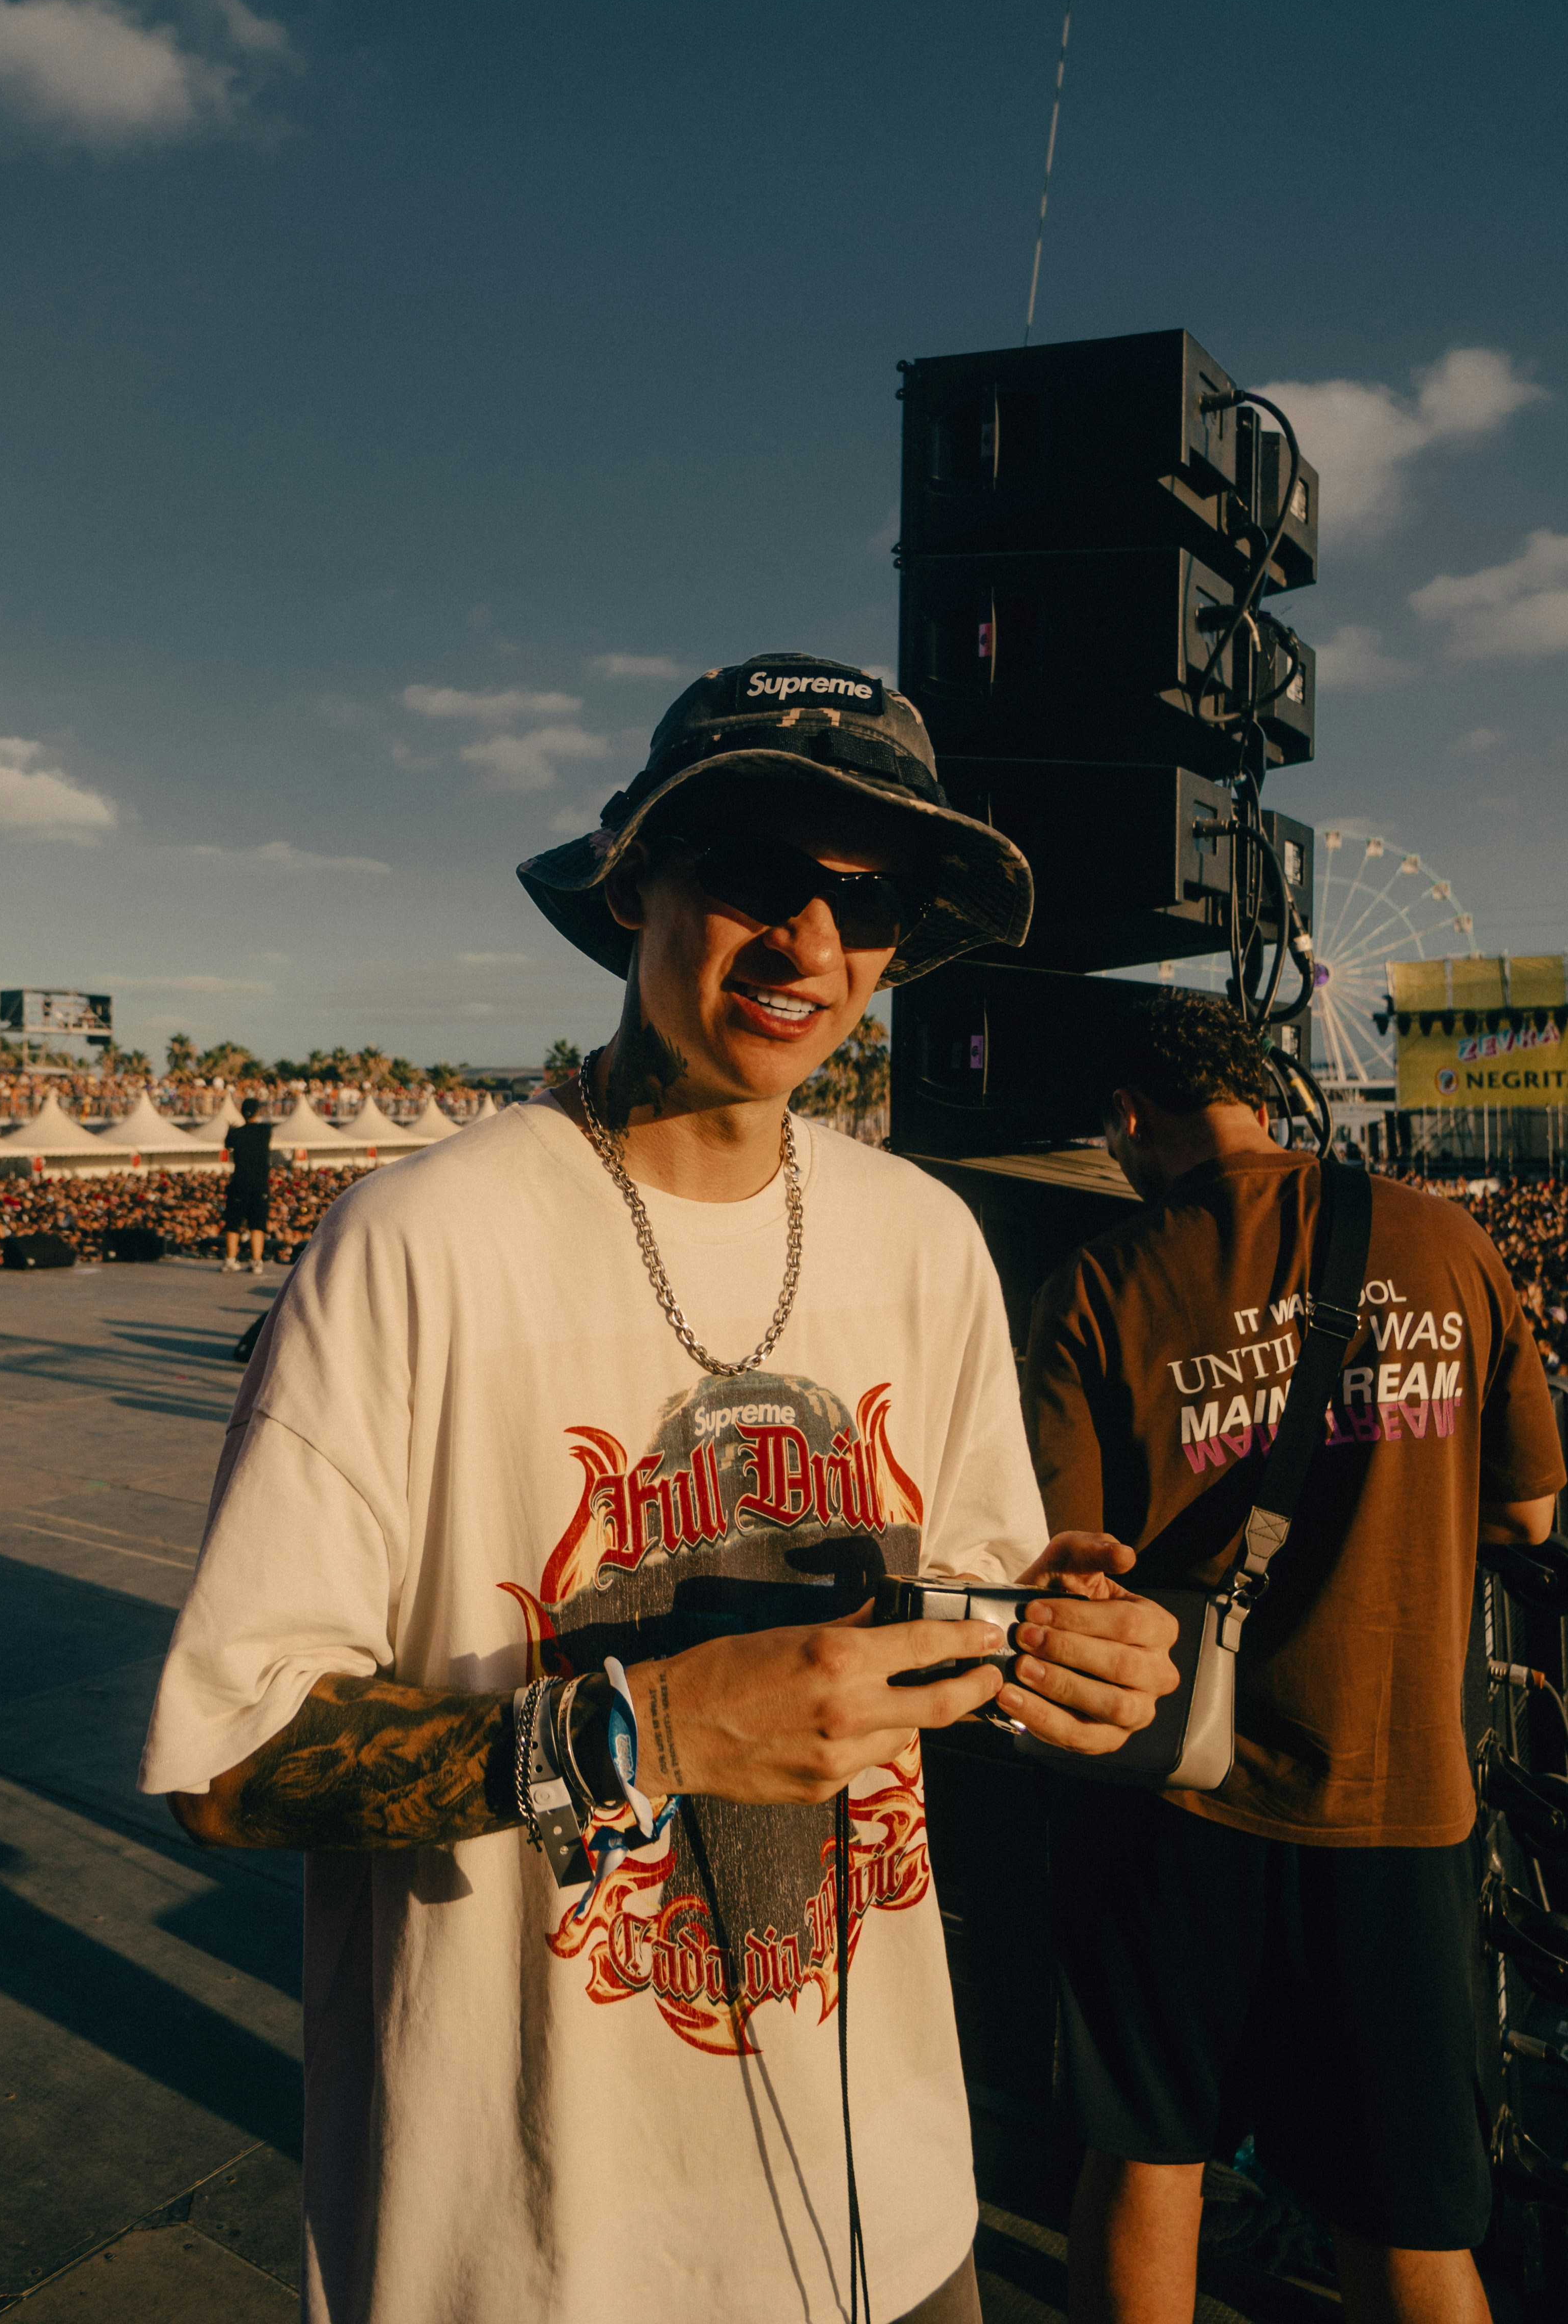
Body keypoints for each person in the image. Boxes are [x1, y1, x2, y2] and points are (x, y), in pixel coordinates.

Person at [138, 651, 1180, 2324]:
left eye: (872, 900)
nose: (810, 944)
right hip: (538, 2250)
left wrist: (1056, 1642)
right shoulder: (419, 1242)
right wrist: (648, 1733)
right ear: (632, 880)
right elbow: (230, 1756)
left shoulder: (925, 1239)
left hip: (892, 2212)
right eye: (758, 871)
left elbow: (971, 1610)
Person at [1020, 992, 1565, 2324]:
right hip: (1399, 1795)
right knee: (1406, 2218)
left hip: (1174, 1795)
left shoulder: (1097, 1284)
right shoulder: (1446, 1240)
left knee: (1147, 2162)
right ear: (1265, 1099)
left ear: (1128, 1117)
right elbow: (1529, 1513)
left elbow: (1063, 1562)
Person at [223, 1095, 272, 1272]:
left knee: (233, 1221)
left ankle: (231, 1259)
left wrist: (231, 1130)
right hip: (259, 1183)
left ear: (242, 1112)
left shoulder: (235, 1133)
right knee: (257, 1223)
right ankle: (256, 1261)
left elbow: (228, 1145)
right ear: (258, 1112)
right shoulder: (265, 1131)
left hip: (240, 1181)